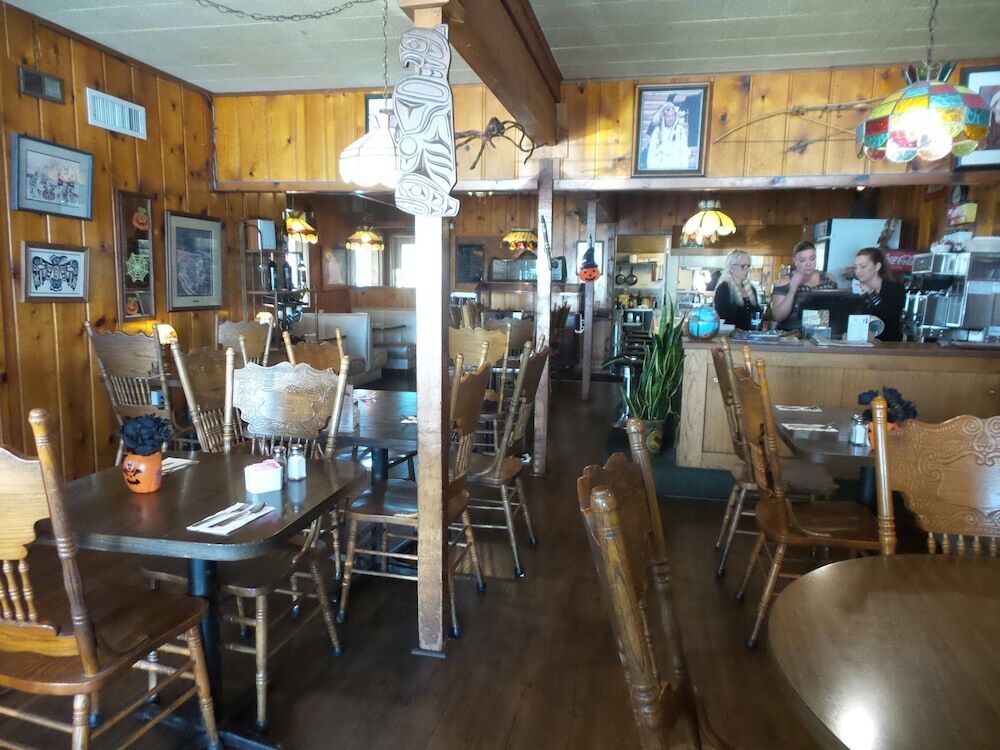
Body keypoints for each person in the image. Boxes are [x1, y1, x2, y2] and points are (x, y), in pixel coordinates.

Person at [770, 240, 838, 332]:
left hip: (822, 335)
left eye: (812, 259)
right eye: (802, 260)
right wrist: (792, 289)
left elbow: (837, 312)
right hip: (791, 336)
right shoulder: (784, 282)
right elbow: (778, 317)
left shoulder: (828, 279)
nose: (808, 264)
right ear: (795, 261)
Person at [853, 247, 905, 341]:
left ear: (877, 266)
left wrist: (872, 293)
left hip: (888, 343)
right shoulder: (857, 290)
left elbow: (888, 316)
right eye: (856, 267)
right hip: (862, 342)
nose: (858, 271)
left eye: (863, 266)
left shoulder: (895, 288)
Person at [714, 250, 763, 330]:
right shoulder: (724, 289)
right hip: (730, 336)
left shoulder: (751, 289)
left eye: (749, 266)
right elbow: (723, 318)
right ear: (731, 267)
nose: (748, 270)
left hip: (750, 335)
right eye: (743, 266)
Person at [644, 101, 690, 170]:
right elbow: (651, 152)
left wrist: (684, 169)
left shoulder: (680, 130)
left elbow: (684, 151)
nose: (670, 119)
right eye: (668, 116)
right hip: (660, 166)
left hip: (676, 166)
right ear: (663, 117)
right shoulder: (657, 131)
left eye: (672, 116)